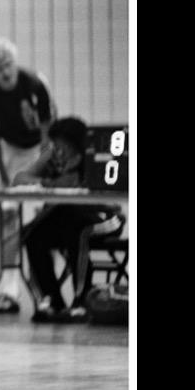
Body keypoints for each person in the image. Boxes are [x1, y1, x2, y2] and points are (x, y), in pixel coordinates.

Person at [0, 35, 56, 312]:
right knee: (8, 213)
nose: (6, 72)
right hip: (9, 150)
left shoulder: (34, 84)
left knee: (35, 217)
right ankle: (9, 289)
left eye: (9, 64)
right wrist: (3, 174)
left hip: (36, 150)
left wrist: (38, 171)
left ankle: (44, 288)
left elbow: (48, 136)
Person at [13, 116, 122, 323]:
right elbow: (20, 178)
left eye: (63, 145)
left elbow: (100, 195)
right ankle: (53, 301)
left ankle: (82, 299)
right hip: (67, 217)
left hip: (103, 217)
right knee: (32, 234)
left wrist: (59, 185)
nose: (59, 149)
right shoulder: (52, 154)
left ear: (76, 144)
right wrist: (48, 182)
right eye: (56, 144)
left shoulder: (94, 157)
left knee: (78, 232)